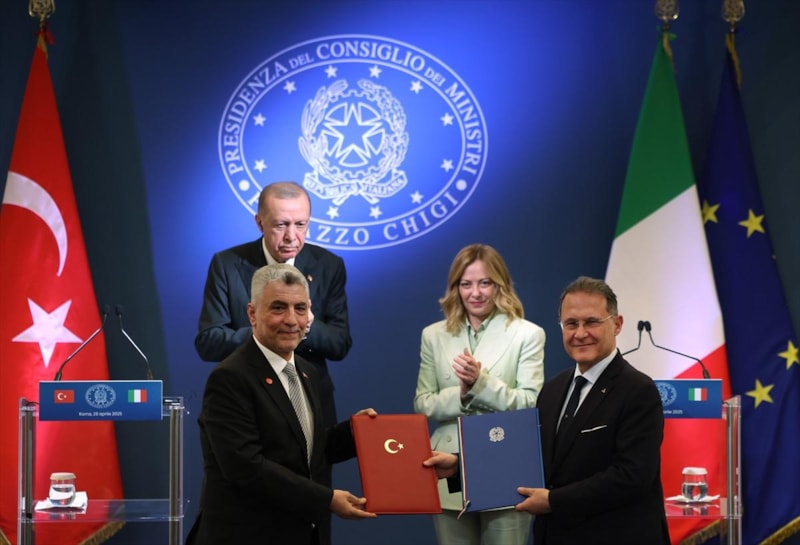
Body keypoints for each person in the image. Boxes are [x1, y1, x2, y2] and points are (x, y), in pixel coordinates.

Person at [424, 276, 670, 545]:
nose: (580, 333)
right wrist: (460, 466)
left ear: (617, 324)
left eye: (591, 322)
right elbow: (529, 457)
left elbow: (631, 477)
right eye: (571, 324)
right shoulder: (554, 389)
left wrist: (554, 501)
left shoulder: (638, 390)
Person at [186, 264, 376, 545]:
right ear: (252, 313)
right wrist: (326, 499)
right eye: (278, 308)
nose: (291, 320)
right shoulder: (230, 377)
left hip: (299, 532)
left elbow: (305, 450)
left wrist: (355, 433)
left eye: (300, 308)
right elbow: (245, 467)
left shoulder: (307, 371)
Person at [414, 243, 545, 545]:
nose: (475, 293)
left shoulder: (527, 334)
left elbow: (530, 401)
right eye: (466, 284)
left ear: (500, 285)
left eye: (485, 283)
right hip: (447, 466)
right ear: (455, 288)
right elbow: (423, 403)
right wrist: (461, 395)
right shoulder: (433, 335)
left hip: (506, 461)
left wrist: (480, 385)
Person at [195, 181, 351, 431]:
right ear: (260, 223)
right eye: (281, 225)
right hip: (247, 399)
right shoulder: (226, 264)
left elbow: (340, 343)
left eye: (301, 224)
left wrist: (307, 326)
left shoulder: (328, 265)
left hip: (311, 399)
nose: (291, 236)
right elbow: (209, 342)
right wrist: (266, 332)